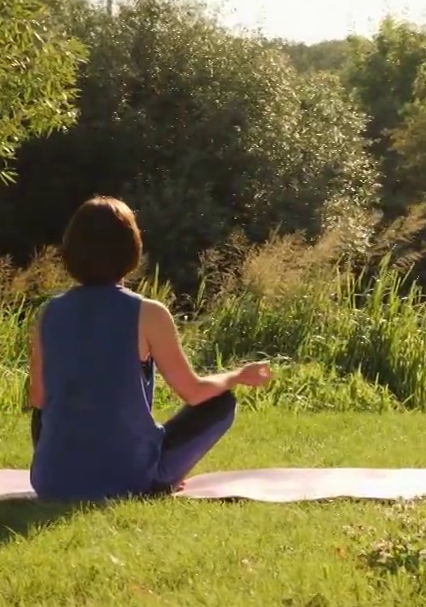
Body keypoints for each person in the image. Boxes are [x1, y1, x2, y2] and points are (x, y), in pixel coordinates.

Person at [26, 196, 273, 502]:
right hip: (131, 479)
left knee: (43, 412)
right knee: (220, 402)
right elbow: (194, 392)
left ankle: (68, 467)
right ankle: (163, 477)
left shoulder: (49, 313)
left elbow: (37, 397)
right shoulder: (149, 313)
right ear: (132, 248)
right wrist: (238, 375)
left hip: (52, 482)